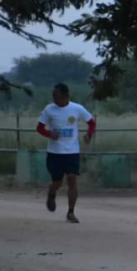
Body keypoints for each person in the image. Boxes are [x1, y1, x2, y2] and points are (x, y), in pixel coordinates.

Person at [37, 83, 96, 223]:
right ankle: (52, 192)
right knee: (57, 182)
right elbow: (39, 128)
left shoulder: (77, 108)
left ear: (65, 95)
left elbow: (92, 123)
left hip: (72, 152)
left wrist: (89, 135)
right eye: (53, 95)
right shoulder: (49, 109)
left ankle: (71, 212)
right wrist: (50, 134)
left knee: (72, 179)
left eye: (56, 95)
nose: (53, 98)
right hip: (54, 152)